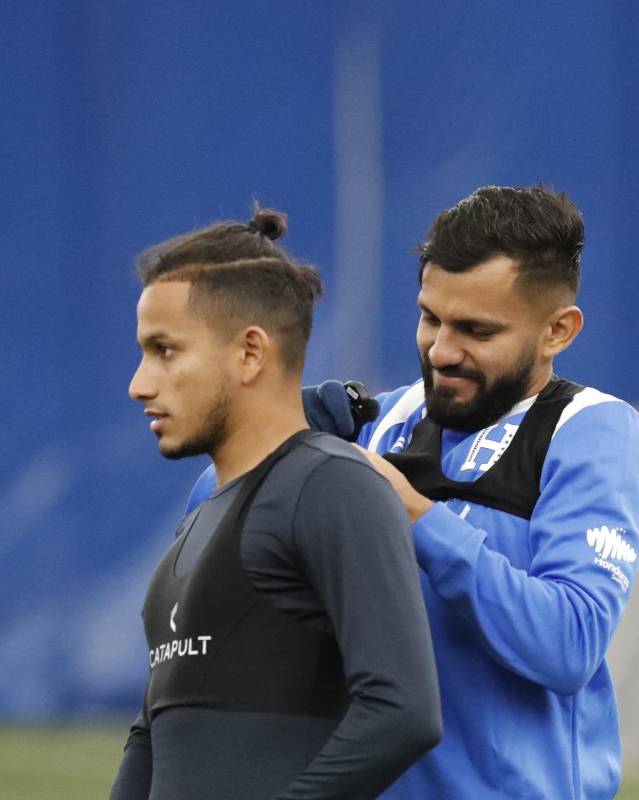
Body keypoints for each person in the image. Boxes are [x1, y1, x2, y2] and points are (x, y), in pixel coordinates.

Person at [189, 185, 639, 799]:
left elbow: (567, 644)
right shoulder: (382, 421)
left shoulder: (592, 433)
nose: (441, 350)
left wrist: (413, 514)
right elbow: (208, 535)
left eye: (476, 330)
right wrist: (264, 446)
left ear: (557, 332)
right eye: (430, 317)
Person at [110, 209, 441, 800]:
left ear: (250, 353)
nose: (139, 382)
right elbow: (149, 735)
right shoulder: (200, 515)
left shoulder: (333, 486)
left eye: (164, 350)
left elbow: (403, 710)